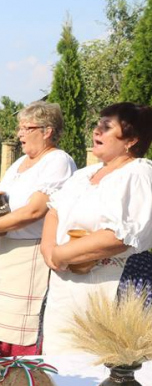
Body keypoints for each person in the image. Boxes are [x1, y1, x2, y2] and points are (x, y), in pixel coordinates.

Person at [41, 103, 152, 354]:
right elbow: (54, 211)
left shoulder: (138, 174)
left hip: (109, 286)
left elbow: (119, 237)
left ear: (131, 140)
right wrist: (49, 250)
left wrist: (60, 255)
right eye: (97, 124)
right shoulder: (84, 174)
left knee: (102, 364)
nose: (96, 131)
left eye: (106, 127)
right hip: (64, 286)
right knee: (59, 360)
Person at [0, 102, 76, 356]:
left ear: (47, 131)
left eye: (26, 128)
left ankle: (22, 377)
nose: (19, 134)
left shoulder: (58, 161)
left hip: (31, 254)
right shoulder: (19, 162)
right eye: (19, 127)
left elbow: (35, 210)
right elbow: (4, 197)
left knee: (21, 324)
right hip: (5, 249)